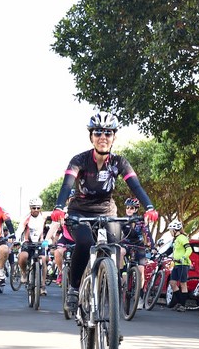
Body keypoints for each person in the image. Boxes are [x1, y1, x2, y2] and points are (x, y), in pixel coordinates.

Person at [50, 112, 159, 316]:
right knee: (84, 243)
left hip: (107, 210)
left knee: (114, 246)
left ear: (114, 137)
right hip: (79, 212)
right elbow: (67, 185)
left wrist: (149, 207)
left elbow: (135, 185)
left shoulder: (119, 162)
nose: (103, 137)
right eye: (98, 132)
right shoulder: (79, 160)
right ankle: (74, 289)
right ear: (91, 136)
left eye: (108, 133)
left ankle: (109, 280)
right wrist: (58, 207)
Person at [120, 197, 155, 300]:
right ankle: (120, 274)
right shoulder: (123, 220)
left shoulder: (141, 221)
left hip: (139, 245)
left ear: (135, 209)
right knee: (120, 252)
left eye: (131, 208)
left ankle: (140, 296)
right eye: (127, 208)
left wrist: (152, 247)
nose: (129, 210)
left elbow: (147, 234)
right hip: (126, 244)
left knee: (140, 271)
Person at [16, 197, 49, 296]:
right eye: (34, 208)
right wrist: (17, 240)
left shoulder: (44, 217)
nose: (36, 210)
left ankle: (43, 286)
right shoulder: (26, 218)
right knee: (23, 257)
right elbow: (20, 229)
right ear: (30, 208)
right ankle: (24, 273)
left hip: (40, 242)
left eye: (38, 208)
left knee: (43, 260)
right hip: (27, 243)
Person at [165, 220, 192, 311]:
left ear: (175, 230)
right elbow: (171, 250)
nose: (170, 232)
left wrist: (183, 257)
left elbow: (189, 250)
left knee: (183, 284)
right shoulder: (175, 239)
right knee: (172, 283)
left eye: (171, 230)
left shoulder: (182, 238)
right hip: (176, 264)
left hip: (183, 264)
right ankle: (179, 302)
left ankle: (182, 305)